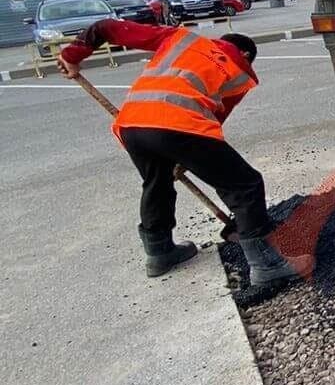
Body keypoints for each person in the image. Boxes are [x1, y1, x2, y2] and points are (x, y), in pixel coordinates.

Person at [57, 16, 302, 286]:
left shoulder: (181, 38)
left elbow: (106, 27)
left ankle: (160, 252)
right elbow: (216, 117)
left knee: (156, 183)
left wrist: (72, 55)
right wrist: (186, 153)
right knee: (244, 184)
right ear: (245, 53)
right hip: (179, 125)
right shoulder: (239, 67)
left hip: (132, 124)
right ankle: (266, 265)